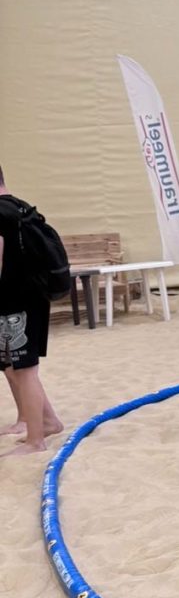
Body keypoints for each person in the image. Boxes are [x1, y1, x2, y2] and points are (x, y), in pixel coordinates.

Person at [0, 165, 63, 456]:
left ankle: (35, 441)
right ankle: (46, 421)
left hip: (15, 302)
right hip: (31, 297)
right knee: (14, 367)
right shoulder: (20, 207)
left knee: (24, 370)